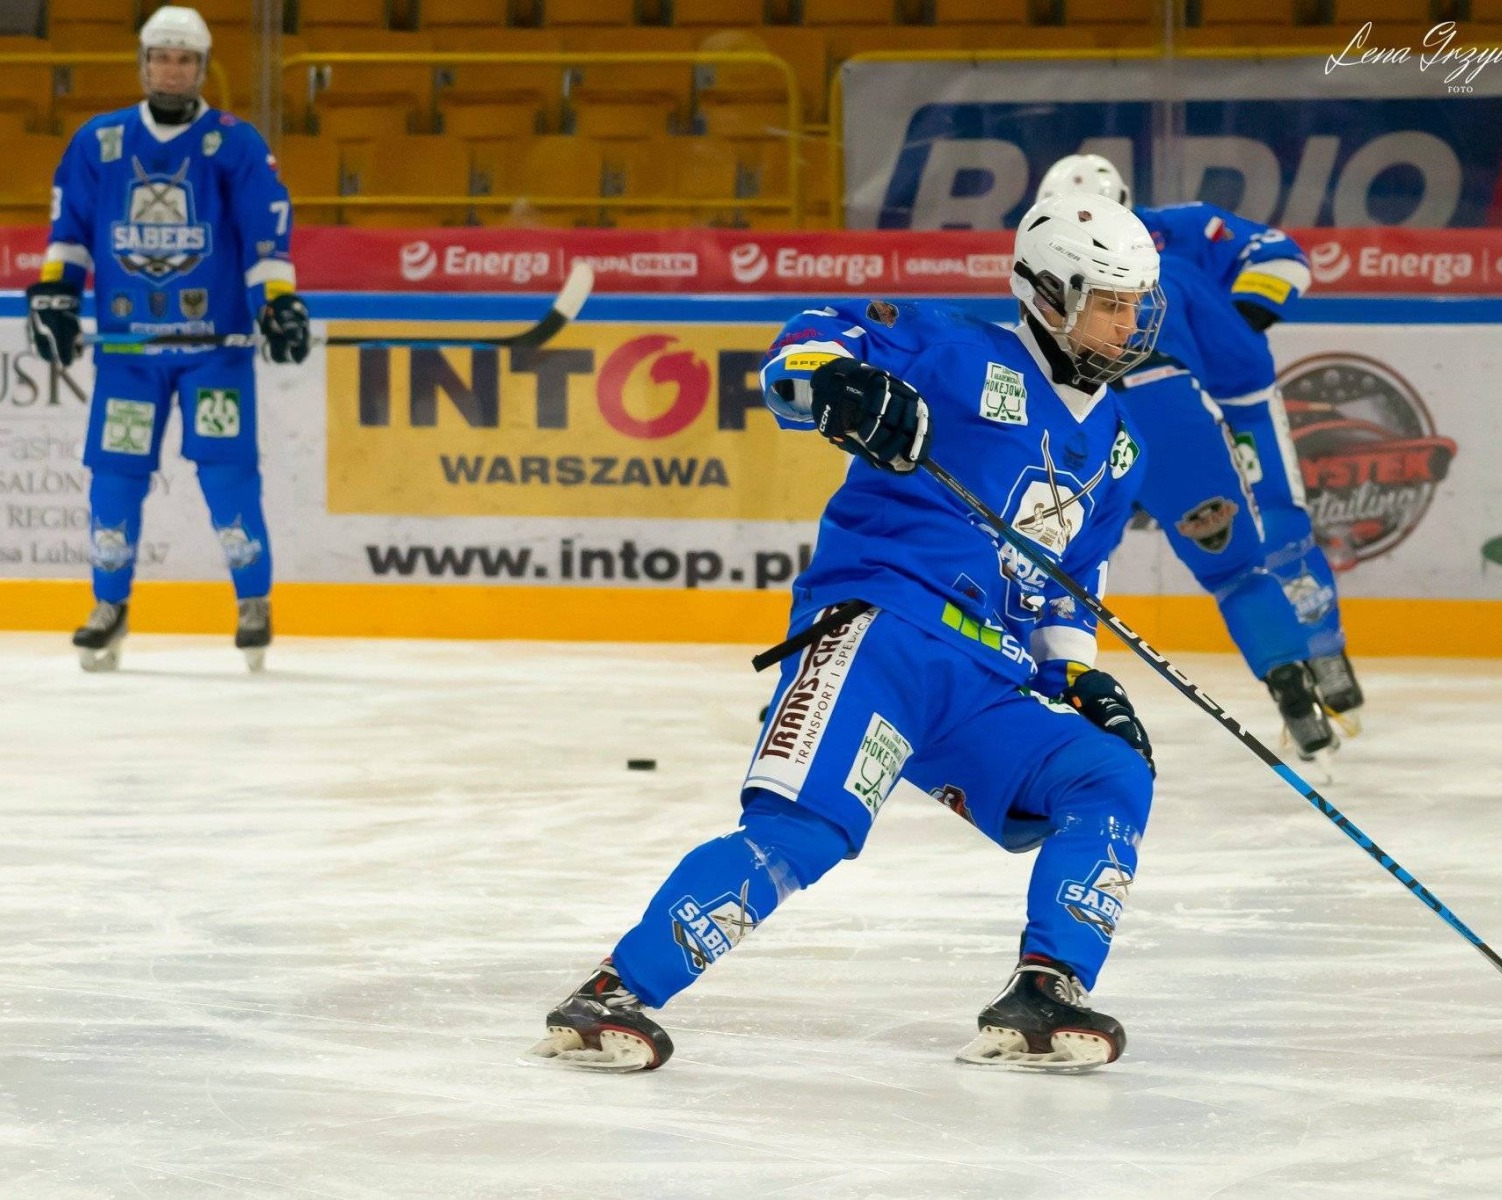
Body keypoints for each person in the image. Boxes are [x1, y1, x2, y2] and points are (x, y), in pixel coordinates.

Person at [531, 193, 1165, 1073]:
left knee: (1108, 774)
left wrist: (1080, 674)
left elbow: (1070, 577)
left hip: (987, 680)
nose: (1129, 323)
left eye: (1136, 303)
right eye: (1110, 302)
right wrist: (838, 384)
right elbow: (810, 340)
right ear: (1049, 294)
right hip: (883, 636)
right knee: (804, 830)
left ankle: (1045, 990)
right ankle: (613, 993)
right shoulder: (952, 347)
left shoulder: (1122, 443)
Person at [1034, 154, 1363, 758]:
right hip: (1175, 411)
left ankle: (1029, 692)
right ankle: (1299, 674)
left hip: (1081, 424)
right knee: (1244, 561)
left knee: (1062, 563)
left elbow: (1277, 256)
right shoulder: (1173, 274)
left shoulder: (1039, 283)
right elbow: (1243, 370)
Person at [25, 5, 311, 673]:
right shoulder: (99, 141)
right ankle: (109, 604)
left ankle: (252, 601)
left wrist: (277, 304)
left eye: (185, 60)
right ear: (144, 64)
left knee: (228, 475)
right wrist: (57, 295)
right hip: (129, 355)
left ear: (202, 68)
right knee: (115, 478)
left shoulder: (235, 144)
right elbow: (69, 233)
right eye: (161, 58)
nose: (172, 70)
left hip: (215, 352)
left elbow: (266, 241)